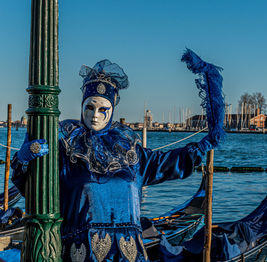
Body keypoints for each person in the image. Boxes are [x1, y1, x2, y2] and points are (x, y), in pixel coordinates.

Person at [11, 59, 221, 261]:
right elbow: (33, 188)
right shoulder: (66, 148)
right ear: (82, 107)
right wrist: (23, 159)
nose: (95, 115)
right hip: (82, 253)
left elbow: (165, 163)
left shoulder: (130, 152)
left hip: (128, 252)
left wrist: (201, 146)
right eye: (90, 107)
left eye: (103, 109)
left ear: (112, 111)